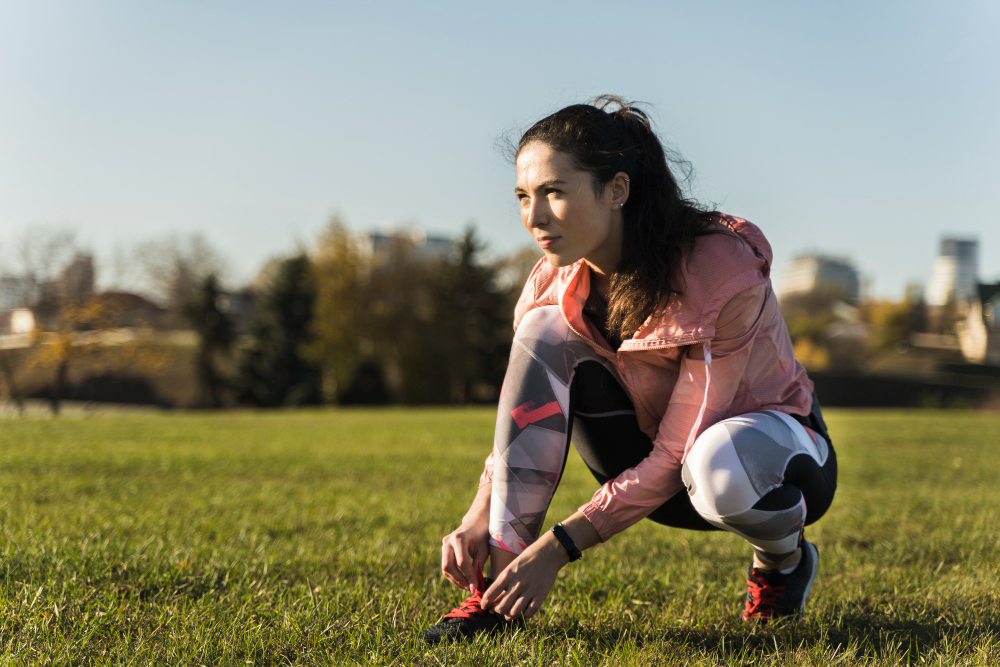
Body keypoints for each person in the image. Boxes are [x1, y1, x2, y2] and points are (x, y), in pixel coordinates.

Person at [421, 95, 837, 643]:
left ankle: (782, 561)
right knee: (543, 327)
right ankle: (496, 585)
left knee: (721, 464)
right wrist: (481, 512)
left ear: (617, 190)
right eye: (523, 196)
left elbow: (678, 450)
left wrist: (559, 547)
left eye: (554, 192)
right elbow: (525, 412)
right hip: (650, 462)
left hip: (769, 460)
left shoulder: (720, 268)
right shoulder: (551, 277)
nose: (534, 216)